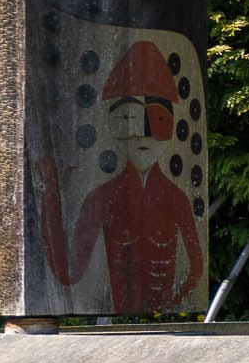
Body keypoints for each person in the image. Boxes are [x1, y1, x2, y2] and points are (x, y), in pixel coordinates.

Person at [38, 40, 204, 312]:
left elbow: (196, 270)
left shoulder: (175, 198)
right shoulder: (102, 197)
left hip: (163, 323)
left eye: (158, 121)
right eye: (126, 119)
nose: (141, 133)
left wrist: (176, 299)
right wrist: (50, 193)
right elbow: (69, 273)